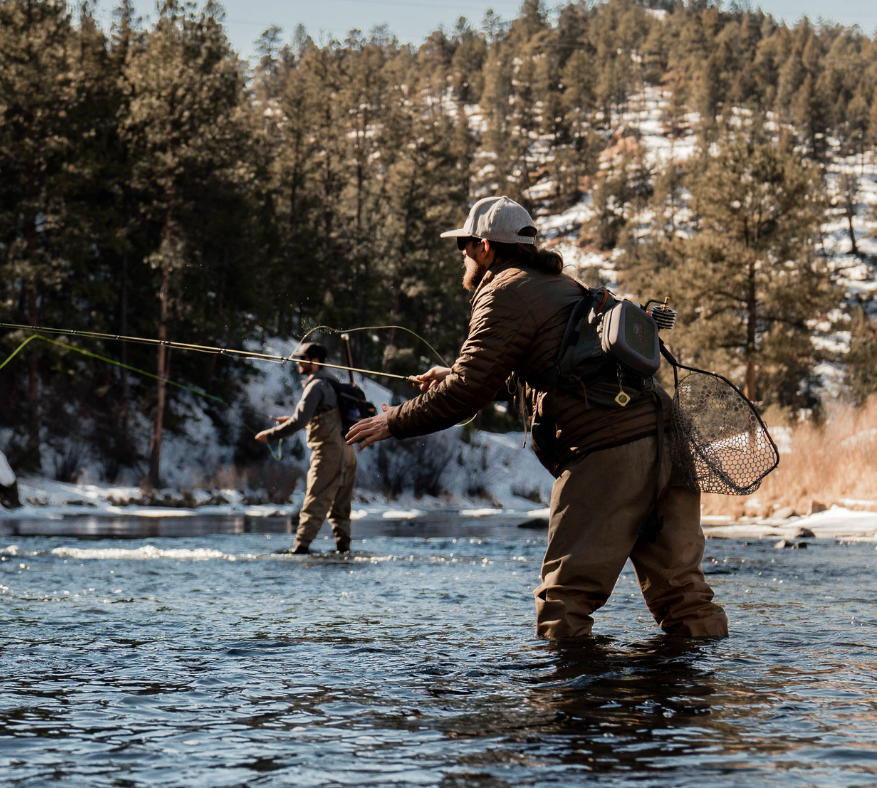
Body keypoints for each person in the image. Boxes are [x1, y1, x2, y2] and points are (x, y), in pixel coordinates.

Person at [344, 196, 729, 639]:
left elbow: (468, 391)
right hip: (668, 441)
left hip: (609, 453)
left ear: (486, 246)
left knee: (563, 603)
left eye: (464, 245)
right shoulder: (560, 284)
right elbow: (552, 368)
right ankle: (695, 701)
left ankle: (569, 706)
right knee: (684, 598)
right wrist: (452, 373)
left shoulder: (503, 290)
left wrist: (393, 421)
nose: (462, 255)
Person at [255, 342, 357, 554]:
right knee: (340, 507)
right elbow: (319, 417)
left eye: (302, 358)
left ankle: (299, 550)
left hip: (328, 454)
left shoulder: (315, 386)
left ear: (315, 361)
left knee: (314, 501)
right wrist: (291, 419)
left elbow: (300, 422)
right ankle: (344, 551)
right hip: (347, 453)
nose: (298, 363)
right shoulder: (332, 383)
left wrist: (271, 435)